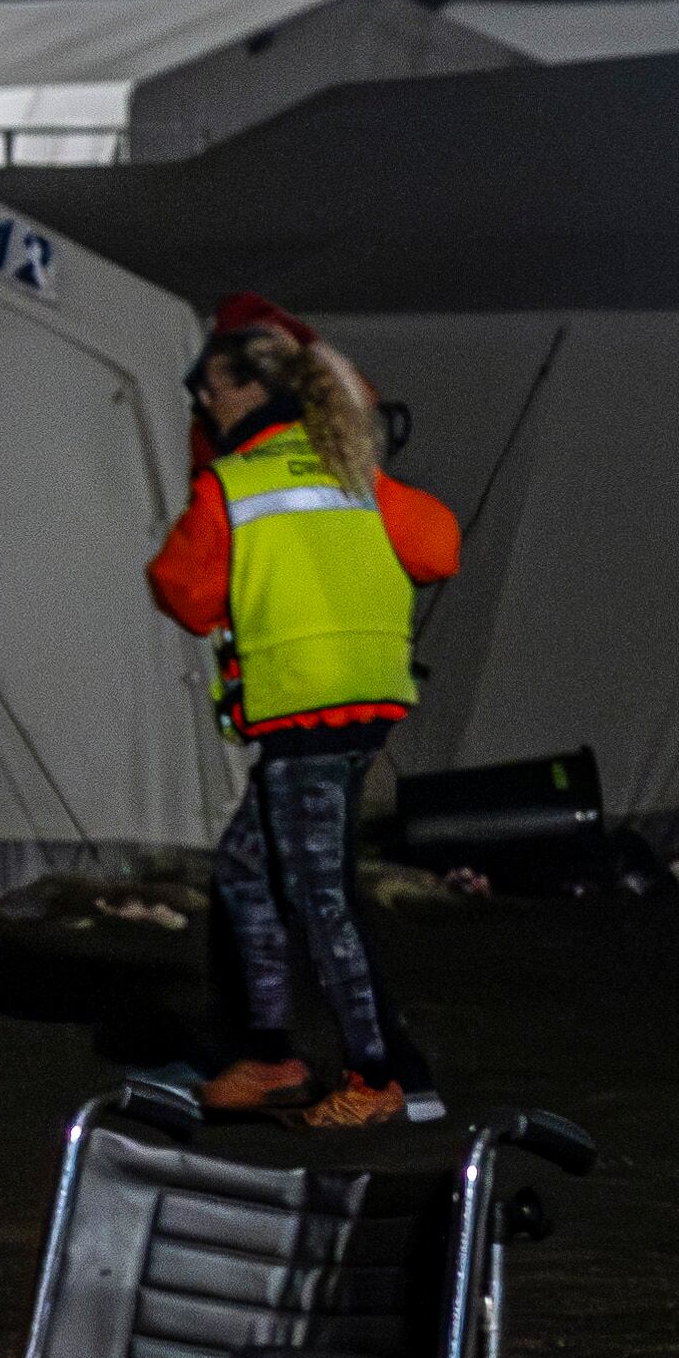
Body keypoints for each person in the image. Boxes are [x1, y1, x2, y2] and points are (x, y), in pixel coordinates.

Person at [152, 294, 460, 1129]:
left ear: (249, 392)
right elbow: (439, 547)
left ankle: (377, 1076)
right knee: (250, 868)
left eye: (210, 388)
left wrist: (206, 473)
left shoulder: (235, 485)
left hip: (305, 716)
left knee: (318, 893)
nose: (202, 402)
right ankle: (272, 1057)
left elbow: (182, 591)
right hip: (358, 712)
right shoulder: (354, 473)